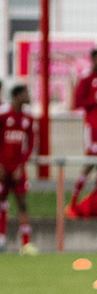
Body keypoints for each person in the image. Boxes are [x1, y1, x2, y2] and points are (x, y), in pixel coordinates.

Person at [1, 83, 34, 252]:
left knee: (22, 203)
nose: (28, 96)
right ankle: (1, 239)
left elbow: (30, 145)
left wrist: (21, 164)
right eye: (26, 93)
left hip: (18, 169)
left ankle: (26, 244)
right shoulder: (4, 115)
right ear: (17, 96)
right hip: (2, 167)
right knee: (1, 202)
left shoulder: (28, 119)